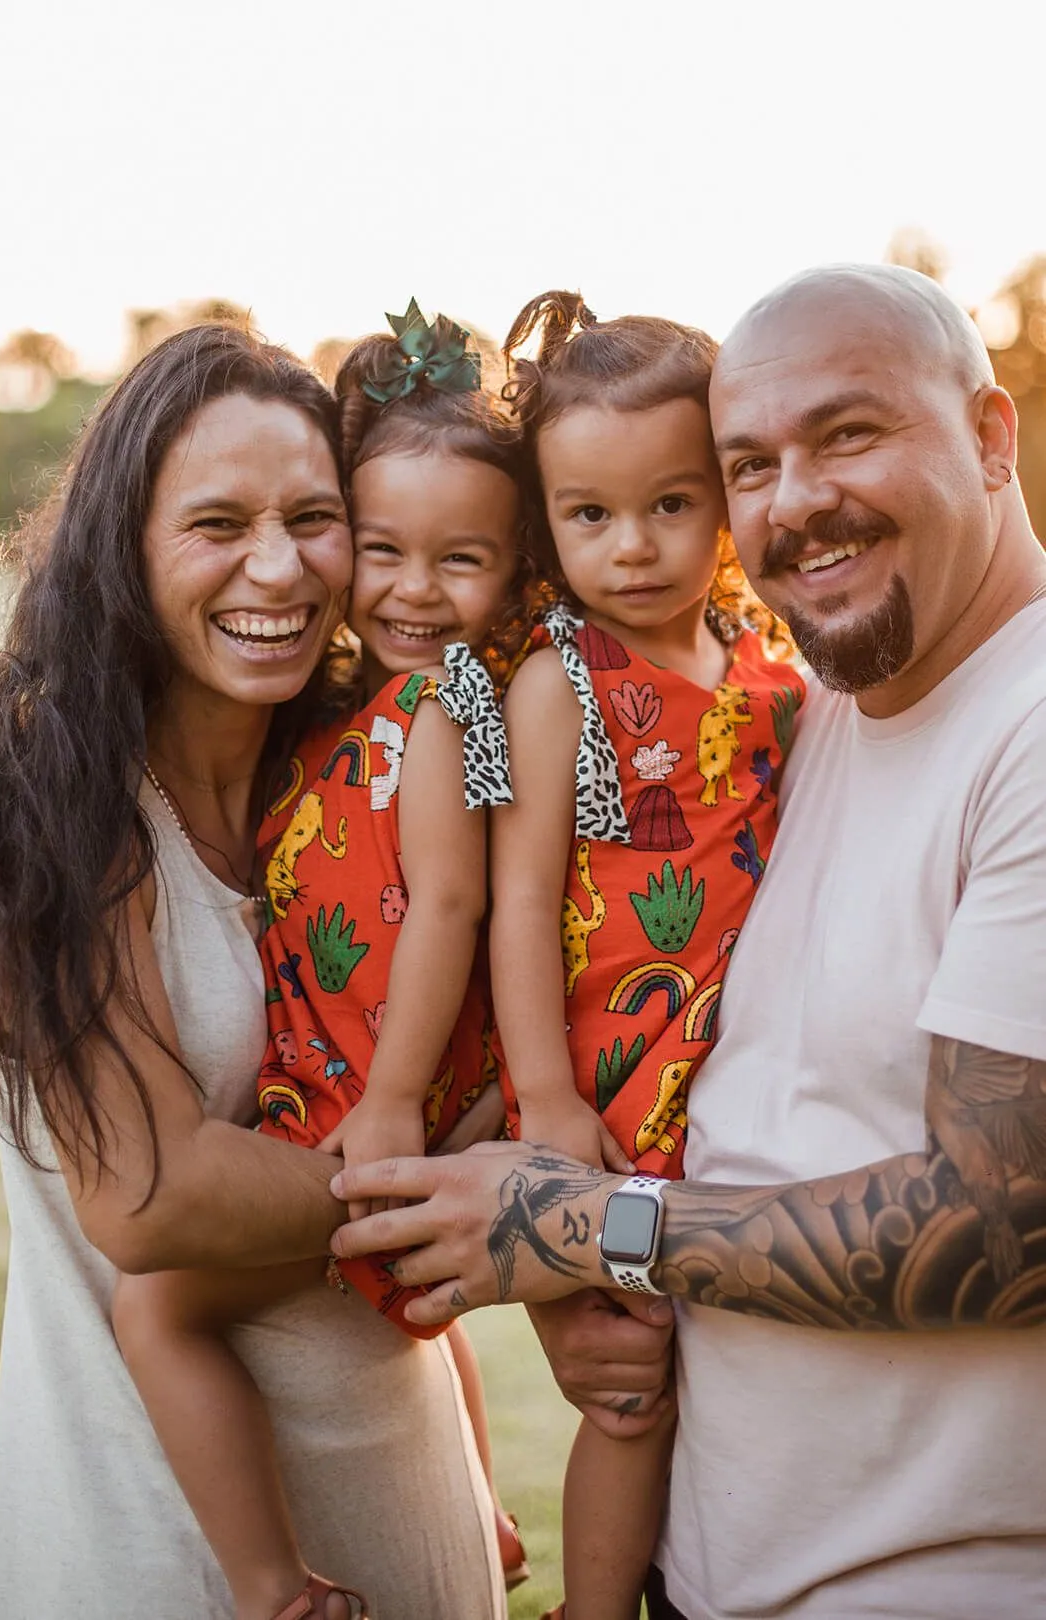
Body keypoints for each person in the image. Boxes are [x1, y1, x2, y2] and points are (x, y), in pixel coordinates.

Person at [328, 264, 1046, 1620]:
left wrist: (584, 1225)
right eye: (751, 461)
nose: (797, 497)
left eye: (850, 433)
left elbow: (1009, 1228)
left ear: (993, 436)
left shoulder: (1024, 723)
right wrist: (555, 1220)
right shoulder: (823, 704)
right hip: (715, 1568)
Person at [0, 323, 506, 1620]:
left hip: (409, 1496)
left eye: (315, 518)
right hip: (157, 1546)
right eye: (217, 522)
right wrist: (454, 1181)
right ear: (125, 547)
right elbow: (152, 1200)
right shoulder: (54, 805)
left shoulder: (363, 760)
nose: (277, 566)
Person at [111, 302, 529, 1619]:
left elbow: (461, 909)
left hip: (379, 1135)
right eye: (386, 547)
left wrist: (410, 1120)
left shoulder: (450, 710)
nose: (407, 586)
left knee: (161, 1310)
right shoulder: (344, 726)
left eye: (457, 557)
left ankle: (279, 1581)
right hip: (350, 1113)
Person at [489, 291, 803, 1620]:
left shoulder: (774, 663)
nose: (632, 547)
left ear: (728, 494)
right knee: (630, 1388)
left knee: (736, 1366)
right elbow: (516, 904)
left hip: (743, 1091)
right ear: (545, 521)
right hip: (615, 1097)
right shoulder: (561, 681)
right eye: (590, 516)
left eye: (671, 505)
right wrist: (551, 1103)